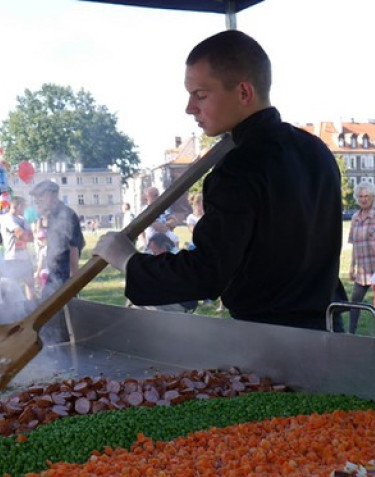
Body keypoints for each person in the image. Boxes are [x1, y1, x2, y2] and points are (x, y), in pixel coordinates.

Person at [92, 29, 342, 330]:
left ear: (244, 93)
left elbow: (207, 273)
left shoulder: (239, 168)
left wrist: (128, 261)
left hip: (272, 344)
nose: (189, 108)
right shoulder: (315, 149)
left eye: (201, 95)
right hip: (328, 332)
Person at [346, 180, 375, 334]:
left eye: (366, 196)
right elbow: (354, 244)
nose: (363, 199)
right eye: (360, 196)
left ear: (373, 197)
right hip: (362, 269)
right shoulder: (355, 218)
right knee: (355, 301)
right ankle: (351, 333)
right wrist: (351, 266)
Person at [30, 179, 84, 296]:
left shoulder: (67, 215)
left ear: (52, 195)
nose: (37, 200)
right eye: (36, 197)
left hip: (64, 275)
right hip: (54, 273)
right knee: (46, 307)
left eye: (40, 196)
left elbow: (74, 248)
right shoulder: (52, 215)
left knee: (52, 308)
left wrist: (74, 279)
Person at [0, 196, 36, 300]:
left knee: (30, 285)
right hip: (12, 259)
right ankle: (14, 311)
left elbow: (32, 236)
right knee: (11, 288)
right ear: (19, 206)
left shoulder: (23, 219)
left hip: (25, 258)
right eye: (24, 206)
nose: (26, 209)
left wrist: (29, 235)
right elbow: (21, 235)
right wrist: (27, 235)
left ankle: (32, 308)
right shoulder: (8, 219)